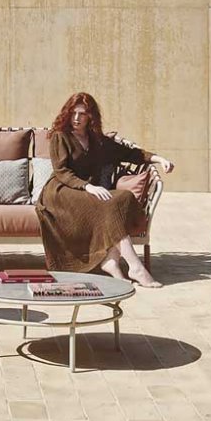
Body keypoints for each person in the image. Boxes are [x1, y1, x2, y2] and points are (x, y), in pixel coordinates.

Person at [35, 92, 175, 287]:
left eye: (82, 114)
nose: (76, 118)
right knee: (107, 204)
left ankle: (111, 261)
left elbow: (130, 153)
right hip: (60, 191)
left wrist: (159, 159)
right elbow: (62, 171)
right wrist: (88, 186)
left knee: (124, 197)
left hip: (86, 191)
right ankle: (135, 266)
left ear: (90, 116)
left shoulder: (97, 140)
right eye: (73, 113)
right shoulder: (61, 136)